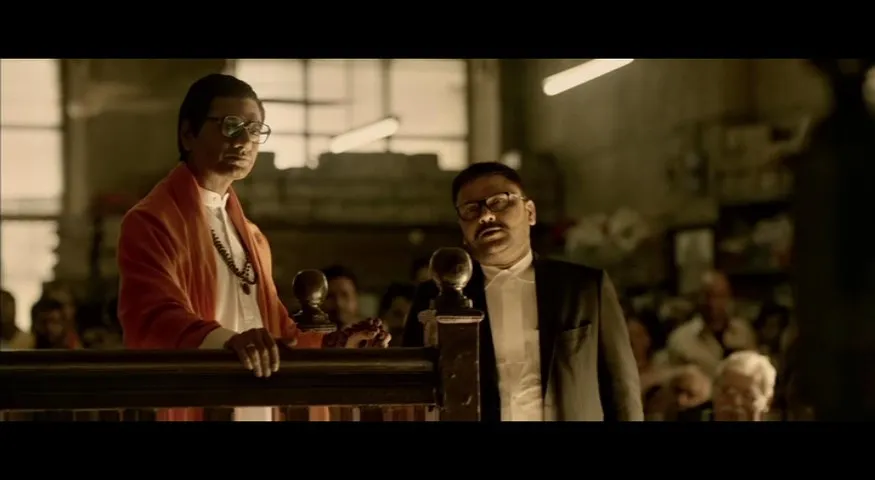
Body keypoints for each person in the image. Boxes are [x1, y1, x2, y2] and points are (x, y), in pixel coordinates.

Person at [116, 74, 388, 421]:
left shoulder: (253, 237)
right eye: (230, 126)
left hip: (255, 405)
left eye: (255, 129)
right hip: (203, 403)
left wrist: (338, 344)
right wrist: (228, 341)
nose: (244, 140)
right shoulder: (151, 221)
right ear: (188, 134)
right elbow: (154, 314)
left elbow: (278, 331)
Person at [403, 162, 642, 421]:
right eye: (471, 209)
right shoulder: (435, 297)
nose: (486, 216)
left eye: (499, 202)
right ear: (462, 228)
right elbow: (412, 395)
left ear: (530, 212)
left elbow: (622, 392)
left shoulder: (584, 288)